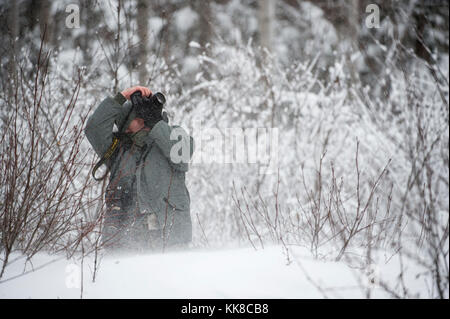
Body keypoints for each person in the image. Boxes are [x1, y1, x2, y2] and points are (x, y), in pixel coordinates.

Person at [85, 86, 194, 252]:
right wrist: (121, 97)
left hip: (171, 239)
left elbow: (182, 154)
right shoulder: (119, 149)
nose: (142, 118)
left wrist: (156, 123)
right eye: (137, 116)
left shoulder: (174, 134)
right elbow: (94, 129)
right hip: (127, 241)